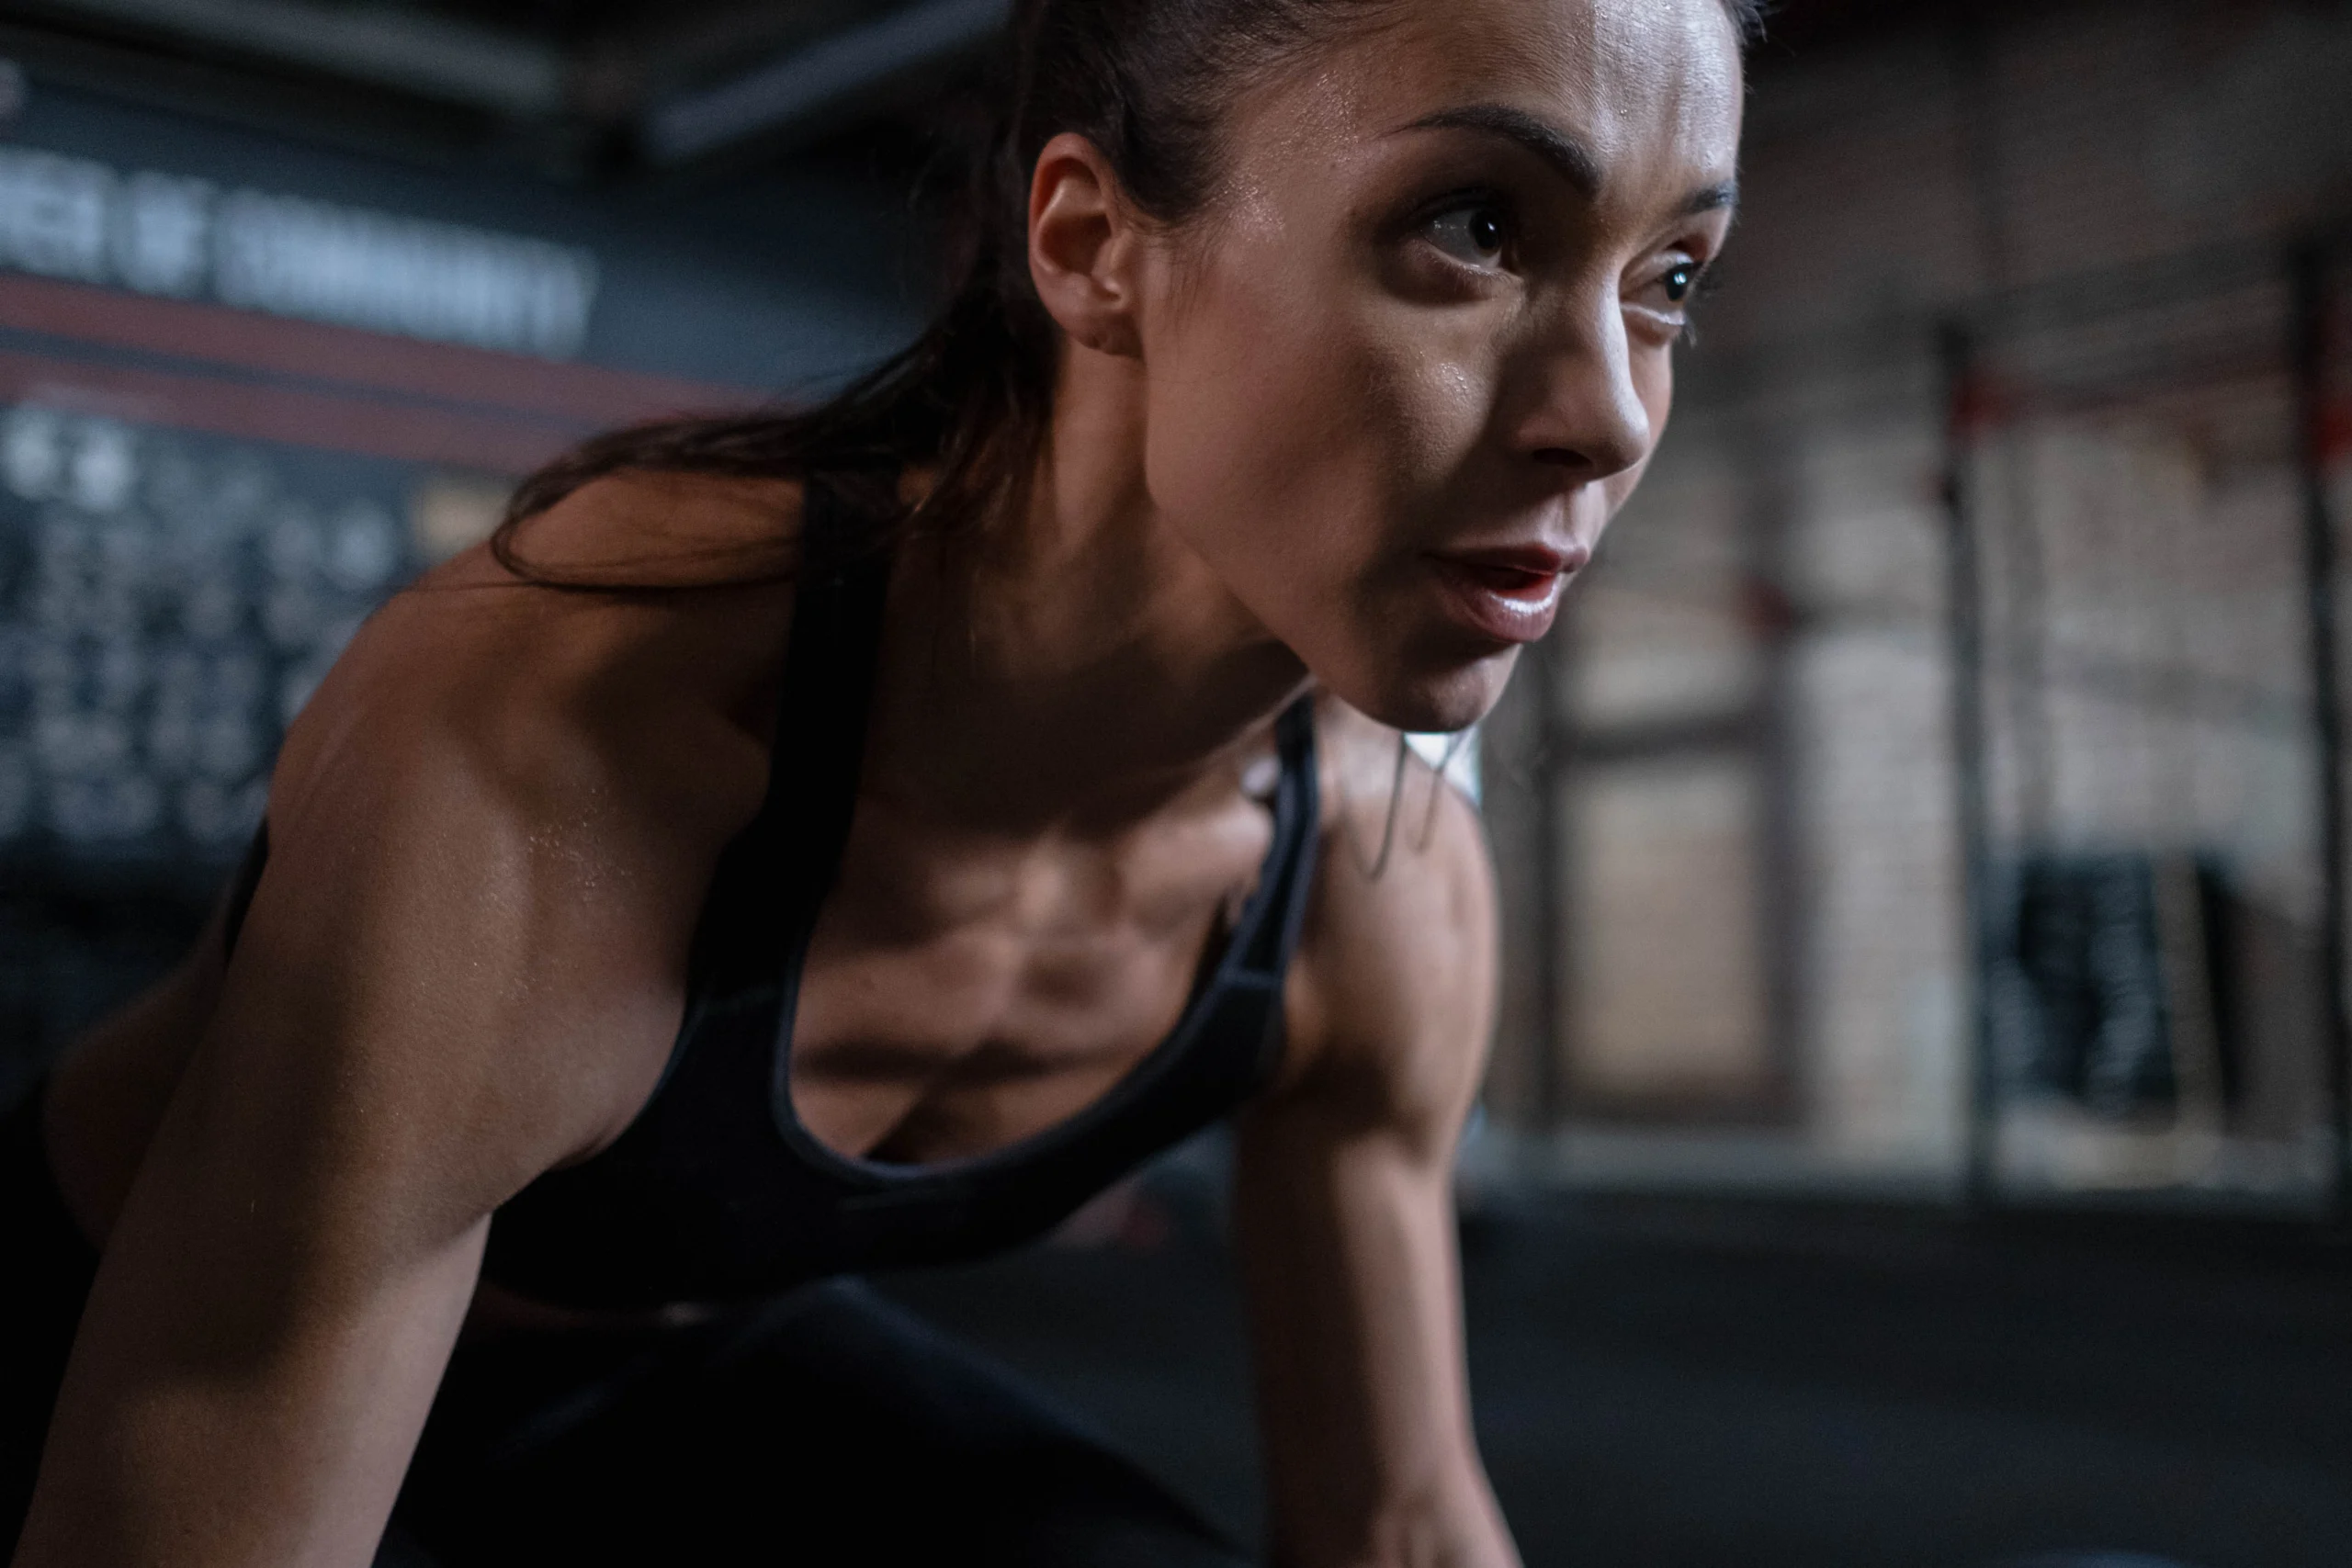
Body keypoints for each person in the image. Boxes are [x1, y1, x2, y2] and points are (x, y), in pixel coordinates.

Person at [3, 0, 1751, 1561]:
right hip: (119, 1360)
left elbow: (1398, 1516)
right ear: (1092, 247)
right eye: (1472, 228)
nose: (1605, 414)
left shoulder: (1377, 885)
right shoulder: (571, 744)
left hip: (681, 1369)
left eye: (1668, 276)